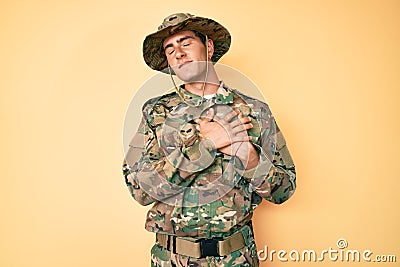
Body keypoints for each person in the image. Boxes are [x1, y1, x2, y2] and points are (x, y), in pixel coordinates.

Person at [122, 13, 296, 267]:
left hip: (236, 258)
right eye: (170, 49)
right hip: (172, 259)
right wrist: (205, 145)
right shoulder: (156, 112)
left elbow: (285, 190)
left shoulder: (255, 111)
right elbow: (139, 190)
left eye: (186, 42)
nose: (178, 53)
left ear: (209, 46)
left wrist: (248, 155)